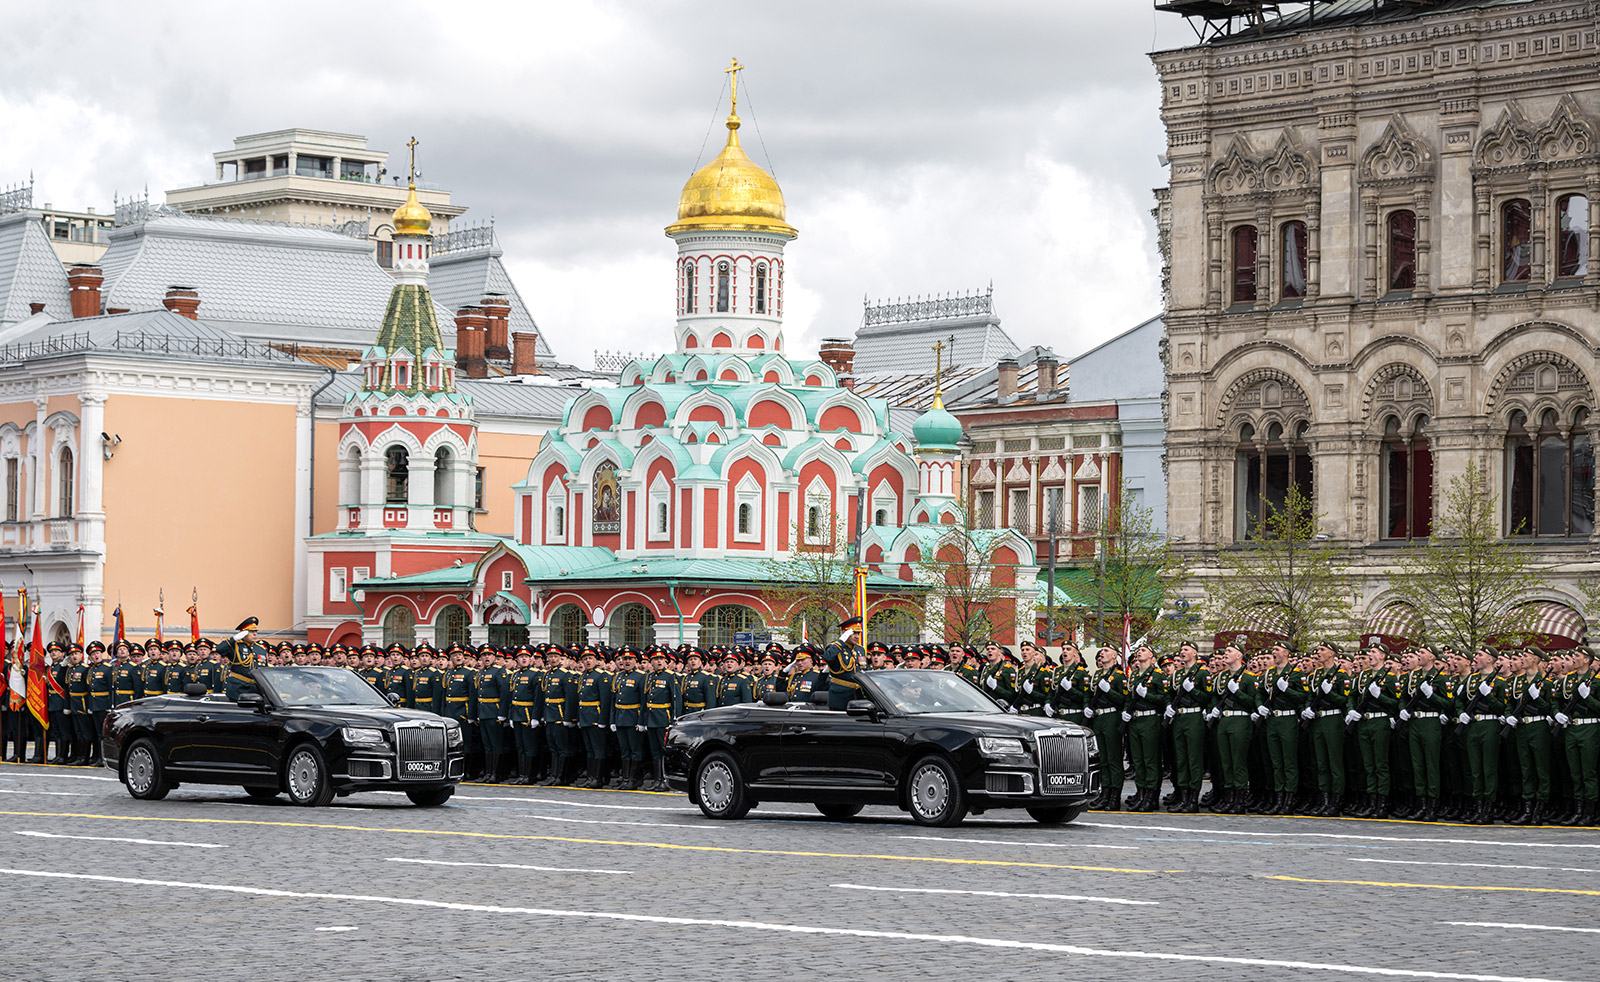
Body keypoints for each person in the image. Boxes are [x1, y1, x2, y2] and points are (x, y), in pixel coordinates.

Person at [1258, 640, 1307, 815]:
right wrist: (1260, 706)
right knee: (1276, 762)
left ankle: (1289, 799)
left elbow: (1302, 697)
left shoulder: (1295, 674)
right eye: (1273, 649)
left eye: (1277, 650)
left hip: (1288, 720)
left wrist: (1287, 690)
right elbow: (1260, 693)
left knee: (1289, 762)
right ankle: (1278, 799)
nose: (1274, 652)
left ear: (1286, 653)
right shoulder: (1270, 673)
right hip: (1272, 720)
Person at [1123, 642, 1168, 812]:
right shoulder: (1134, 676)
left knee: (1150, 760)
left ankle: (1151, 796)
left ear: (1152, 657)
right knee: (1138, 760)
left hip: (1150, 719)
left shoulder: (1157, 675)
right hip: (1135, 721)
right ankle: (1140, 794)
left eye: (1143, 650)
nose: (1139, 653)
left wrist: (1147, 695)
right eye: (1138, 650)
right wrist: (1126, 711)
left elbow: (1164, 699)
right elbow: (1129, 696)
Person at [1166, 641, 1209, 813]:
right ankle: (1183, 797)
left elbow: (1207, 697)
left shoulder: (1202, 673)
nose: (1182, 652)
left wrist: (1193, 691)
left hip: (1193, 716)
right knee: (1181, 759)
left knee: (1193, 759)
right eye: (1181, 649)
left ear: (1195, 653)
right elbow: (1169, 694)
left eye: (1186, 649)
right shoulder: (1177, 675)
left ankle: (1193, 799)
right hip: (1179, 717)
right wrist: (1169, 705)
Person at [1085, 647, 1128, 811]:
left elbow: (1122, 699)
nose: (1102, 653)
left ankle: (1114, 797)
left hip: (1111, 717)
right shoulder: (1097, 675)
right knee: (1102, 759)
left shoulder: (1119, 676)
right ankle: (1105, 794)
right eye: (1101, 651)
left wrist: (1109, 691)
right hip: (1098, 718)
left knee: (1113, 759)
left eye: (1106, 651)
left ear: (1114, 656)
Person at [821, 617, 866, 711]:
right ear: (845, 633)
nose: (857, 636)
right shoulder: (835, 647)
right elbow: (827, 657)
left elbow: (864, 669)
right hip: (840, 697)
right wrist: (841, 641)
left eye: (858, 633)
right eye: (853, 633)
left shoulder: (860, 649)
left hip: (858, 696)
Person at [218, 617, 266, 701]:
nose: (255, 634)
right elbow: (219, 649)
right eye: (251, 631)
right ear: (244, 633)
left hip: (256, 689)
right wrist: (234, 639)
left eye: (256, 631)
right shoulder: (235, 646)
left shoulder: (260, 649)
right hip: (238, 688)